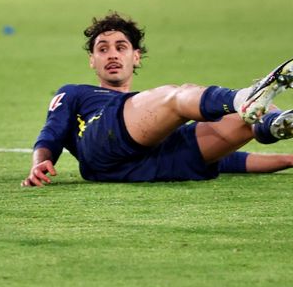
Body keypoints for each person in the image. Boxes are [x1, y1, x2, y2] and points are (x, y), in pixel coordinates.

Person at [23, 12, 293, 187]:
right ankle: (245, 97)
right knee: (176, 95)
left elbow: (230, 161)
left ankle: (269, 123)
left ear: (136, 56)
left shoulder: (147, 113)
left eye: (121, 47)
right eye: (102, 50)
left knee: (250, 117)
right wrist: (40, 163)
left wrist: (289, 160)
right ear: (92, 61)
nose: (112, 55)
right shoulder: (75, 92)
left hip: (151, 162)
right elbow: (51, 133)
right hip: (102, 145)